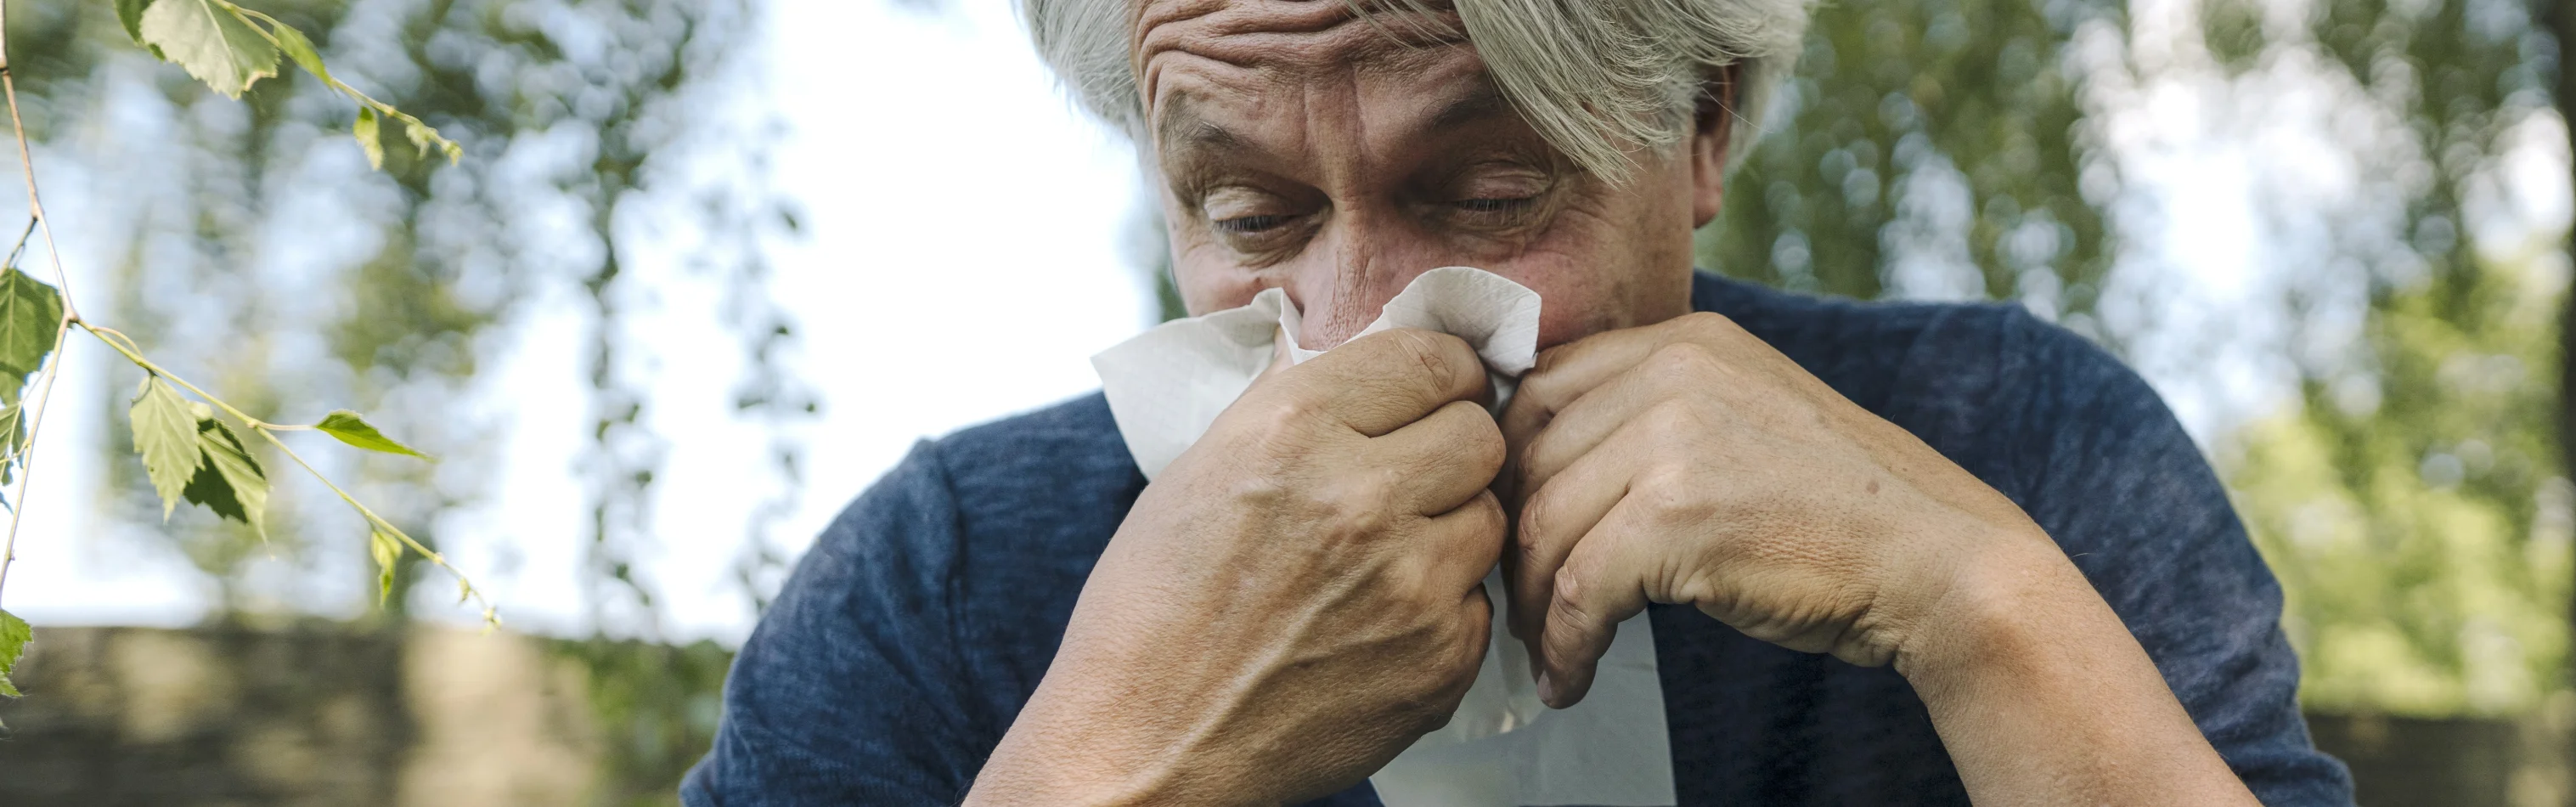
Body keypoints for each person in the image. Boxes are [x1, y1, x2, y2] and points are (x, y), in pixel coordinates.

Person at [681, 0, 2354, 804]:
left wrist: (1983, 610)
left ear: (1699, 130)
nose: (1352, 333)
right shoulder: (961, 579)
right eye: (1253, 217)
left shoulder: (2015, 445)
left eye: (1485, 192)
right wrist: (1125, 755)